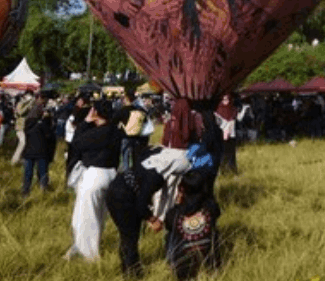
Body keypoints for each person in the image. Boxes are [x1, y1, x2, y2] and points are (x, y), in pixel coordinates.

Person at [107, 147, 191, 277]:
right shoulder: (155, 176)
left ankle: (128, 269)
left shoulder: (155, 157)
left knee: (126, 236)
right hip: (123, 198)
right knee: (130, 238)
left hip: (114, 189)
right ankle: (132, 274)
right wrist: (153, 219)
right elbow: (141, 204)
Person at [65, 100, 123, 261]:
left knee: (87, 216)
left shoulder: (97, 133)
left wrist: (85, 122)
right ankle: (81, 248)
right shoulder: (115, 130)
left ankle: (89, 254)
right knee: (98, 215)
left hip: (95, 174)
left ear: (95, 112)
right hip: (111, 173)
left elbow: (76, 143)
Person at [162, 168, 221, 280]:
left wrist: (178, 202)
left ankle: (175, 265)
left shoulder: (173, 213)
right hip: (209, 256)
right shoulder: (211, 207)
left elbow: (168, 225)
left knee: (169, 235)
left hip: (183, 262)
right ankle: (213, 264)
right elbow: (217, 214)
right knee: (215, 229)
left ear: (182, 190)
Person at [21, 104, 57, 195]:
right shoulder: (44, 124)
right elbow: (50, 137)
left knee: (28, 172)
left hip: (29, 150)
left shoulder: (28, 123)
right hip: (42, 151)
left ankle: (26, 190)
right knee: (42, 172)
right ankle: (43, 189)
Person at [12, 90, 37, 165]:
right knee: (22, 142)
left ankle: (21, 158)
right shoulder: (21, 103)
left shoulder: (30, 104)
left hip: (26, 126)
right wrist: (29, 103)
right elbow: (20, 112)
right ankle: (15, 159)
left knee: (25, 143)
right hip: (20, 126)